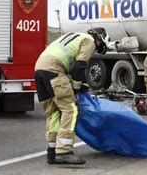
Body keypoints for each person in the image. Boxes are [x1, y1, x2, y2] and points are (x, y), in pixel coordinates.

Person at [34, 27, 110, 164]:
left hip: (40, 68)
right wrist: (75, 89)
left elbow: (70, 65)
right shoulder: (90, 41)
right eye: (99, 47)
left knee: (53, 112)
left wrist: (77, 84)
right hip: (54, 69)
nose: (95, 50)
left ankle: (52, 151)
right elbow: (80, 65)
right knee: (71, 108)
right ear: (99, 40)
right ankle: (64, 151)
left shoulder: (73, 36)